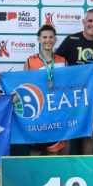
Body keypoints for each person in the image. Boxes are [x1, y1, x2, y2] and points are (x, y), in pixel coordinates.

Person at [55, 9, 93, 154]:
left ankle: (87, 166)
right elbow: (56, 63)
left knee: (89, 133)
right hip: (69, 97)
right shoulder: (71, 40)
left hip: (91, 98)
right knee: (68, 133)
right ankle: (66, 166)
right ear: (83, 22)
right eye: (90, 21)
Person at [23, 24, 68, 155]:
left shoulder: (63, 61)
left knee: (54, 153)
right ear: (39, 39)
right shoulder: (30, 61)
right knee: (35, 153)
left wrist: (92, 71)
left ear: (55, 39)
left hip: (57, 112)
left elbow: (69, 84)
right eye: (44, 37)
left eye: (51, 37)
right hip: (38, 113)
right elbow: (24, 86)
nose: (48, 40)